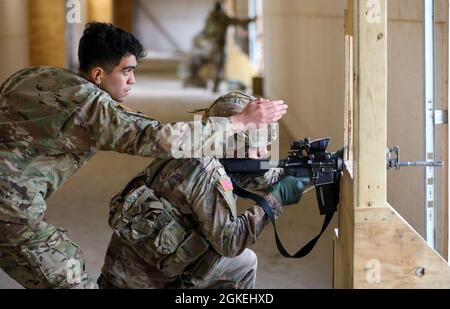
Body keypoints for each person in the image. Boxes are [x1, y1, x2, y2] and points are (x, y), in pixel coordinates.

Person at [0, 23, 288, 289]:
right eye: (126, 71)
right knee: (73, 279)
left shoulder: (39, 76)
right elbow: (156, 138)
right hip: (11, 213)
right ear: (98, 74)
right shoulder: (92, 108)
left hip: (14, 206)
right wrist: (237, 124)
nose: (133, 80)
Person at [97, 92, 310, 289]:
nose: (262, 154)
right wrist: (276, 198)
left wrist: (308, 171)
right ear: (232, 143)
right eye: (255, 147)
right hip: (141, 284)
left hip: (118, 276)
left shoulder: (192, 148)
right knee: (242, 263)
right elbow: (230, 241)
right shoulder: (207, 172)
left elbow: (258, 175)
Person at [183, 1, 256, 92]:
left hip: (207, 45)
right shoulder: (223, 18)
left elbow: (206, 31)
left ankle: (196, 80)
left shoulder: (210, 17)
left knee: (204, 63)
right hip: (218, 45)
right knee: (219, 66)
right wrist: (252, 20)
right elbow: (238, 22)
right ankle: (214, 86)